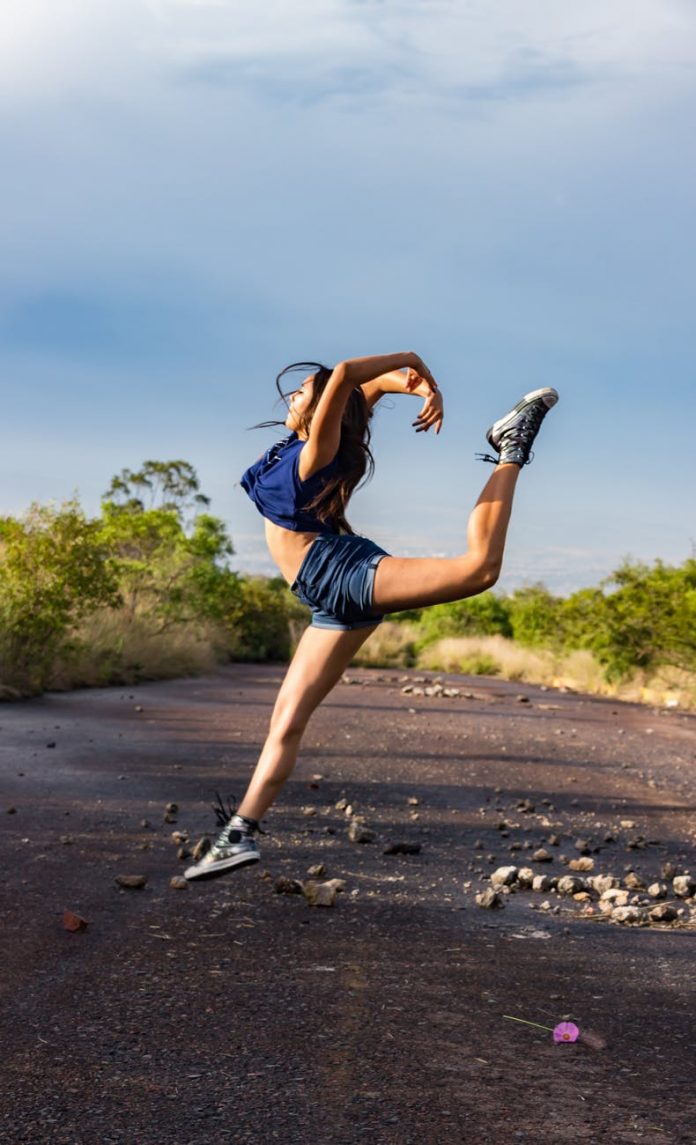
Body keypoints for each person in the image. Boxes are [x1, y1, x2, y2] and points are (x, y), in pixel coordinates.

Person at [184, 352, 558, 881]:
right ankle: (237, 836)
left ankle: (512, 446)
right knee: (286, 722)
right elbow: (370, 386)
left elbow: (346, 376)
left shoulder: (318, 451)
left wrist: (414, 360)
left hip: (339, 572)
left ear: (324, 409)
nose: (291, 398)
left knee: (479, 570)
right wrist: (421, 388)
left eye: (302, 393)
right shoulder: (307, 443)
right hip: (324, 598)